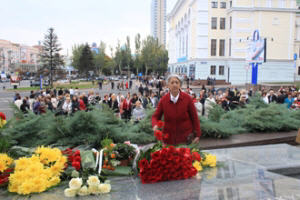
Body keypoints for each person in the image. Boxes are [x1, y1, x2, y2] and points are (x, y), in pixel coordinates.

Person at [152, 74, 201, 145]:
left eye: (177, 82)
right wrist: (155, 125)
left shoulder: (187, 99)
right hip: (168, 139)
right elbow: (155, 117)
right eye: (172, 83)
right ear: (168, 85)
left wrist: (197, 135)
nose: (174, 85)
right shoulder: (163, 100)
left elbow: (194, 118)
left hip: (185, 139)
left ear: (180, 85)